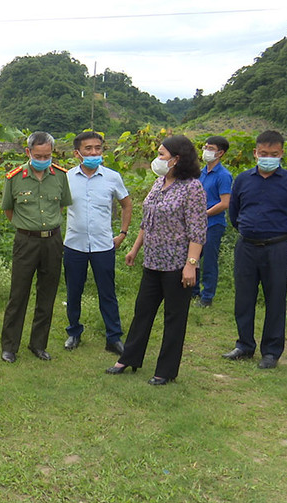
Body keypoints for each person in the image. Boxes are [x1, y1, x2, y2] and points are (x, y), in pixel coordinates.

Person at [106, 135, 207, 385]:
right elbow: (147, 221)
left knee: (174, 318)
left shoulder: (192, 188)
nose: (157, 158)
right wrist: (135, 249)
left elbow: (197, 230)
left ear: (176, 159)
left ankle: (166, 370)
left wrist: (191, 265)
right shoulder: (159, 182)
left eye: (162, 154)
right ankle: (129, 358)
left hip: (177, 265)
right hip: (152, 261)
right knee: (143, 311)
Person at [222, 130, 287, 369]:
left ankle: (271, 351)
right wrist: (246, 230)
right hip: (246, 247)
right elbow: (234, 213)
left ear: (281, 153)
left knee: (275, 299)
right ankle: (244, 345)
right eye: (263, 153)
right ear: (255, 153)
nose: (268, 158)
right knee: (243, 298)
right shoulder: (242, 180)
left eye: (273, 154)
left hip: (276, 248)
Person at [0, 131, 72, 363]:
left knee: (47, 294)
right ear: (28, 152)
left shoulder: (60, 176)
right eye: (38, 156)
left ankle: (38, 344)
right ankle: (10, 346)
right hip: (26, 241)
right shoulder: (14, 178)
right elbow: (9, 209)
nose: (43, 160)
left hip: (52, 241)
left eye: (47, 156)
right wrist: (27, 226)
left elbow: (60, 206)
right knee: (18, 294)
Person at [63, 131, 132, 355]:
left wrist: (122, 233)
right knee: (74, 291)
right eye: (88, 149)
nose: (94, 153)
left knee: (107, 292)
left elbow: (126, 204)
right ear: (77, 153)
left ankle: (113, 337)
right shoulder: (67, 178)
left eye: (98, 148)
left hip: (103, 245)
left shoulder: (112, 177)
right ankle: (74, 332)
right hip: (74, 245)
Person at [191, 136, 233, 307]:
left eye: (211, 148)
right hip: (197, 224)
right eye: (205, 147)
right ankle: (193, 292)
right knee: (193, 258)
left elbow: (225, 203)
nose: (206, 151)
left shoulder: (223, 176)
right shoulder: (201, 173)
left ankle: (207, 297)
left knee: (209, 261)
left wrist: (204, 214)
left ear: (220, 153)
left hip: (213, 224)